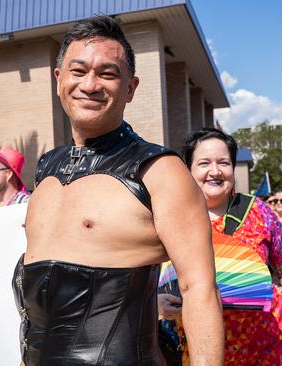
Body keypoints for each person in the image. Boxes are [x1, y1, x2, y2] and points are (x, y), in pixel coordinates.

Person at [15, 16, 224, 365]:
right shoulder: (46, 170)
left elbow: (199, 290)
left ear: (130, 88)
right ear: (59, 79)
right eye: (78, 71)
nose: (90, 84)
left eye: (108, 74)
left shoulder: (160, 170)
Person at [159, 128, 282, 365]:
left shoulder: (259, 212)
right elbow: (140, 272)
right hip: (193, 349)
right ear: (189, 169)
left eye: (223, 163)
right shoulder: (168, 216)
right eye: (204, 163)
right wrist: (155, 303)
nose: (215, 171)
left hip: (265, 345)